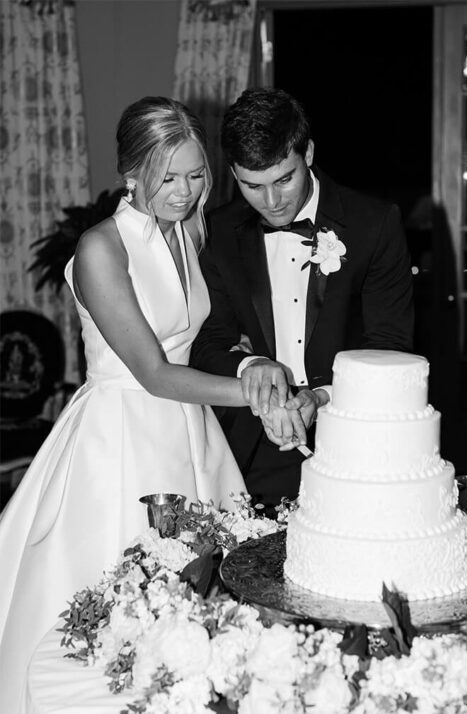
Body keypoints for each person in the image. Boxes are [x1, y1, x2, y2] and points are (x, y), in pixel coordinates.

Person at [0, 97, 298, 709]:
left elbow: (200, 336)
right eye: (169, 177)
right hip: (123, 437)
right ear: (131, 172)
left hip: (191, 431)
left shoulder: (187, 232)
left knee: (201, 612)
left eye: (196, 175)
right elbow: (156, 372)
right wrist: (259, 392)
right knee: (117, 619)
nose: (186, 191)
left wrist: (251, 359)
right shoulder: (99, 249)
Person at [190, 88, 414, 508]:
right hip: (250, 450)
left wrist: (320, 396)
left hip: (354, 439)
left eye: (283, 180)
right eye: (252, 186)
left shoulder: (374, 224)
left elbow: (390, 345)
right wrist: (250, 365)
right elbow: (206, 343)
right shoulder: (216, 233)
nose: (271, 202)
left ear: (307, 153)